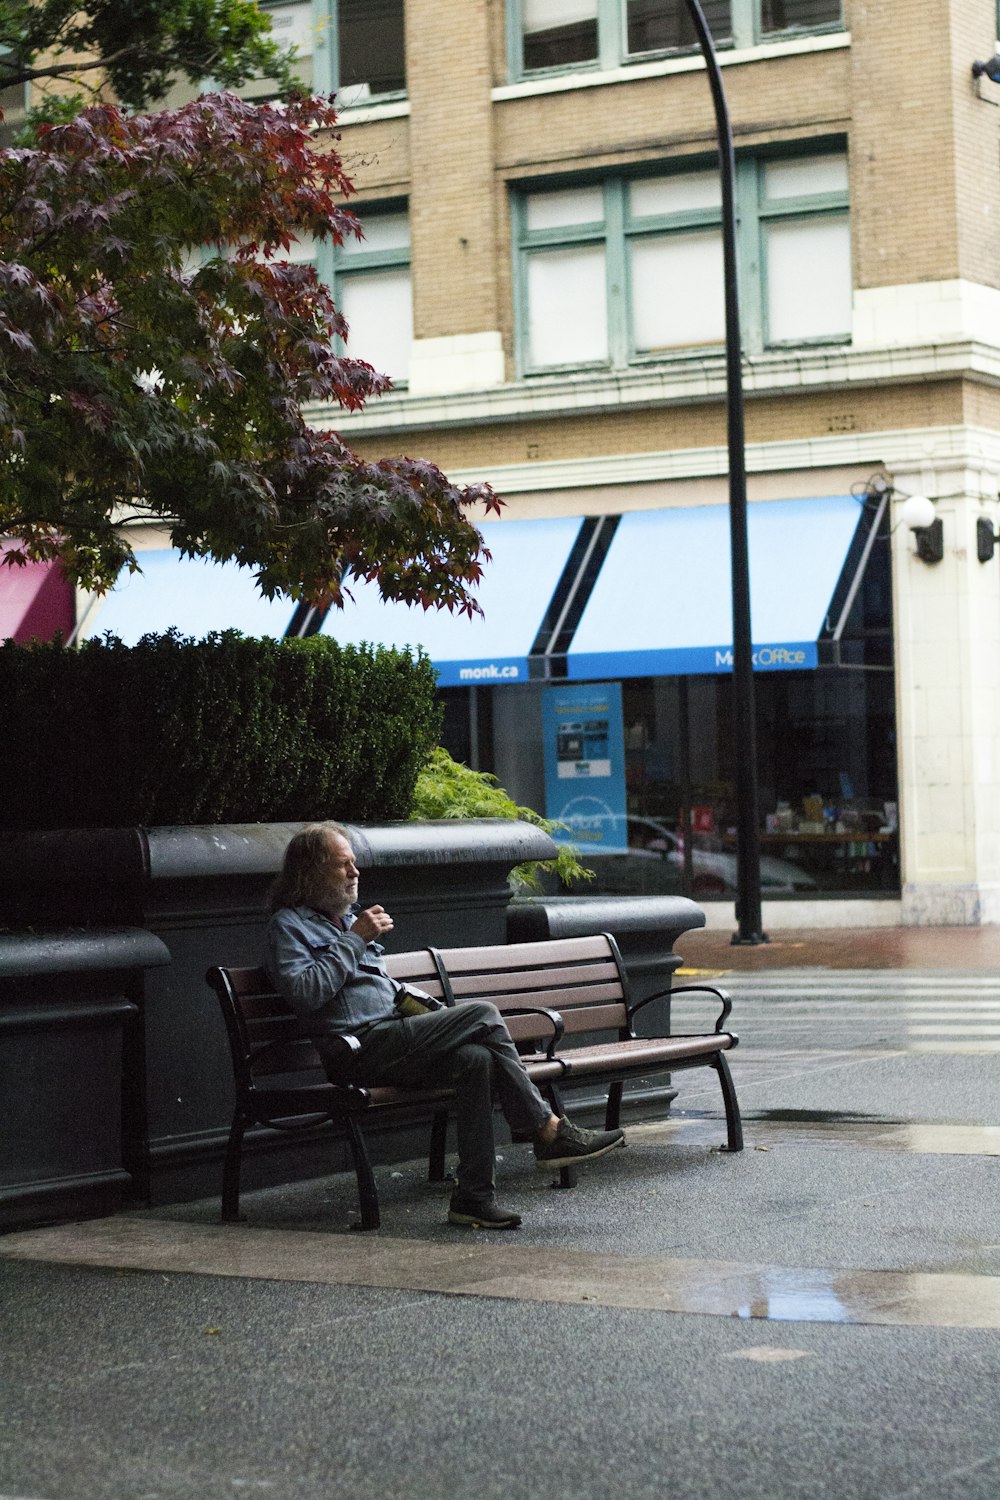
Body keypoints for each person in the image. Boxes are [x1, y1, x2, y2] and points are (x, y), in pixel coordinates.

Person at [265, 823, 626, 1229]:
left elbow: (386, 989)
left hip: (392, 1038)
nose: (355, 873)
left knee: (474, 1059)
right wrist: (355, 940)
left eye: (354, 863)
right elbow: (305, 992)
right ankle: (544, 1128)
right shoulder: (289, 926)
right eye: (343, 865)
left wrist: (433, 1012)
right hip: (356, 1049)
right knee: (482, 1013)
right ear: (311, 871)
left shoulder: (345, 920)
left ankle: (473, 1198)